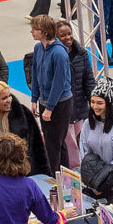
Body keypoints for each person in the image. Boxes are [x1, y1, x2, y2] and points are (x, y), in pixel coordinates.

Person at [28, 14, 73, 174]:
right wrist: (34, 99)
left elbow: (59, 83)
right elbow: (35, 74)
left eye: (35, 29)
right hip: (45, 101)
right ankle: (64, 175)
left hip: (60, 103)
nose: (32, 32)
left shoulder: (59, 53)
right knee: (56, 142)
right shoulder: (38, 48)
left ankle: (53, 177)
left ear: (45, 32)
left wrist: (50, 108)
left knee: (53, 144)